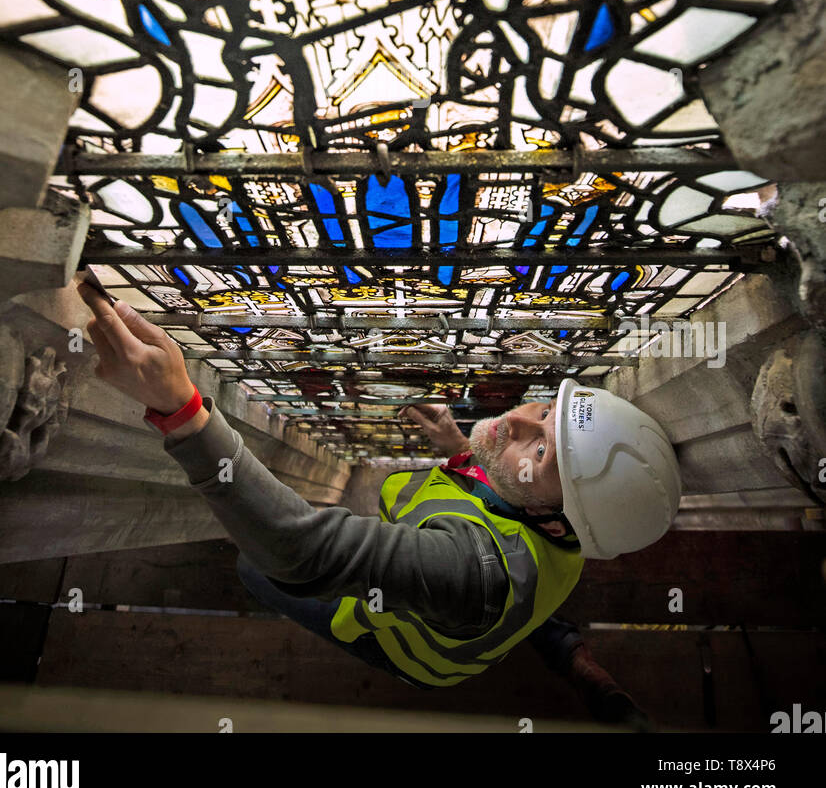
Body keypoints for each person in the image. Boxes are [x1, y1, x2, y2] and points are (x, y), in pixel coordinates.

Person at [77, 280, 680, 722]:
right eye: (546, 411)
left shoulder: (472, 572)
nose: (517, 422)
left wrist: (181, 409)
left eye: (543, 453)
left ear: (553, 517)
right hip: (482, 611)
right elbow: (505, 494)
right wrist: (455, 444)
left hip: (408, 649)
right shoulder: (564, 530)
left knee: (254, 566)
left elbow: (301, 550)